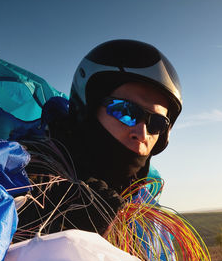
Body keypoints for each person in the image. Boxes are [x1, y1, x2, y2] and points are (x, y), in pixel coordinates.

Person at [16, 39, 182, 240]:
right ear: (88, 110)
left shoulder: (144, 218)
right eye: (125, 111)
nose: (142, 133)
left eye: (157, 123)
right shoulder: (20, 176)